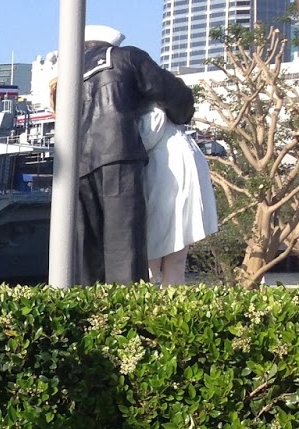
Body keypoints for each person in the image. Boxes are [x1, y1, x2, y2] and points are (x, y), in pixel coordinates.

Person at [75, 25, 196, 285]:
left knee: (86, 252)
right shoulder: (126, 57)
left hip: (77, 166)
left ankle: (88, 313)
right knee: (124, 248)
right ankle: (125, 315)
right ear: (110, 44)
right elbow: (177, 98)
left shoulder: (66, 73)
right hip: (119, 154)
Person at [139, 106, 218, 286]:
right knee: (174, 260)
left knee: (152, 257)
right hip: (179, 165)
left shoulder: (151, 104)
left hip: (167, 170)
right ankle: (171, 307)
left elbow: (147, 135)